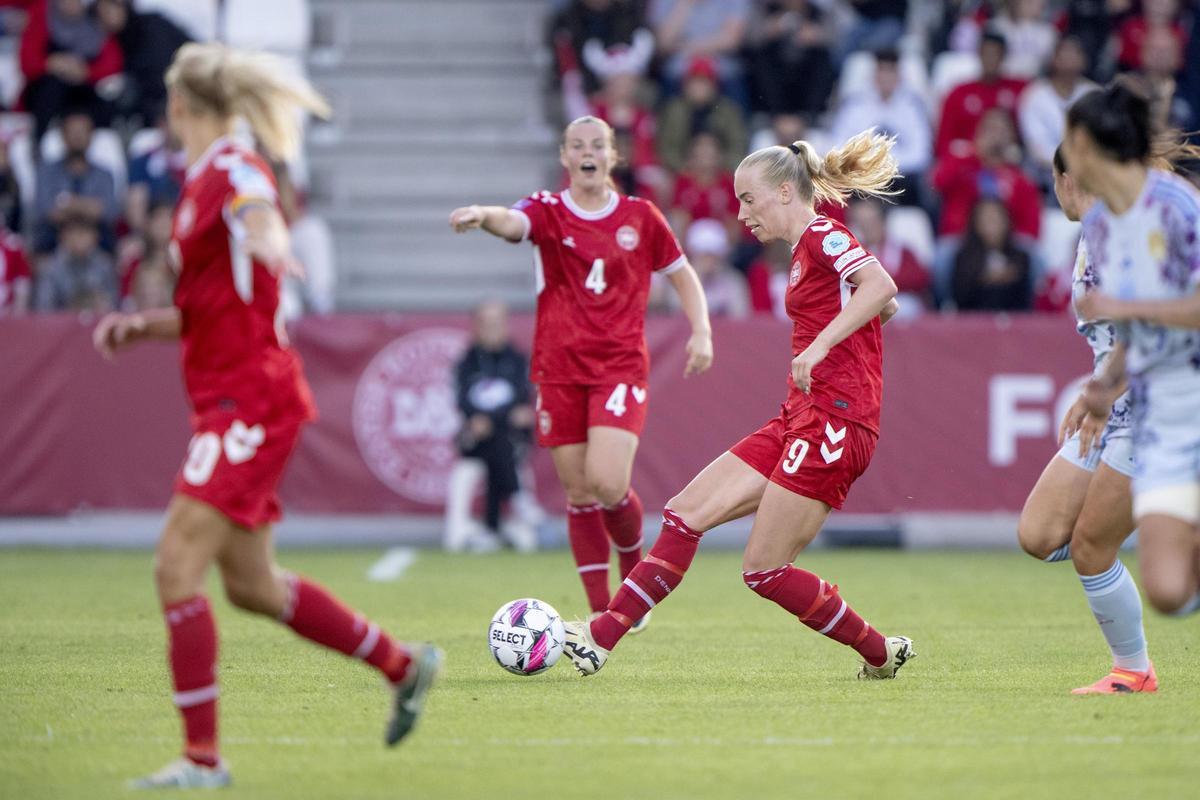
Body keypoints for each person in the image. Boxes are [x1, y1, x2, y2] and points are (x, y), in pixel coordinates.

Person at [91, 43, 441, 789]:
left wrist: (271, 239)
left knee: (174, 568)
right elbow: (210, 307)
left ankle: (201, 761)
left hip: (248, 399)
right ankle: (402, 666)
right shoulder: (199, 182)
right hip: (231, 393)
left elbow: (260, 214)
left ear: (179, 106)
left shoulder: (230, 168)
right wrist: (144, 325)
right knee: (251, 585)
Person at [559, 131, 915, 681]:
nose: (742, 215)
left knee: (764, 570)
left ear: (782, 191)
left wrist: (823, 345)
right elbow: (881, 304)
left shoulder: (822, 232)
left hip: (836, 421)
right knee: (686, 512)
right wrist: (850, 325)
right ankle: (601, 638)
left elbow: (881, 283)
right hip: (801, 415)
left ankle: (878, 652)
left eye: (749, 199)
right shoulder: (804, 251)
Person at [449, 115, 714, 628]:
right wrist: (482, 214)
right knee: (577, 492)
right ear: (566, 157)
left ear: (611, 156)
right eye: (577, 145)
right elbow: (514, 223)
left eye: (597, 144)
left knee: (608, 482)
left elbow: (682, 275)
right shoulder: (548, 210)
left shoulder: (641, 216)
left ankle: (635, 570)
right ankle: (601, 611)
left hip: (618, 367)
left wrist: (700, 330)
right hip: (558, 369)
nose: (587, 152)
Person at [1017, 144, 1151, 694]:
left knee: (1093, 547)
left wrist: (1106, 387)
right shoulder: (1092, 233)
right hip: (1111, 406)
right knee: (1041, 534)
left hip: (1152, 408)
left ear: (1067, 178)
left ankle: (1133, 672)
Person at [1067, 81, 1200, 626]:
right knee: (1169, 592)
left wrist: (1125, 303)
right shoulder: (1099, 226)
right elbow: (1134, 330)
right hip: (1159, 414)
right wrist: (1103, 388)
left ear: (1088, 144)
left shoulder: (1175, 208)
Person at [453, 300, 537, 549]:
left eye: (497, 322)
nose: (492, 328)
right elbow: (462, 400)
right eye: (486, 323)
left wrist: (495, 418)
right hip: (476, 438)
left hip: (508, 436)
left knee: (499, 439)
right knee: (493, 438)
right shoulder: (467, 361)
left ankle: (491, 528)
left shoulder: (517, 359)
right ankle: (518, 499)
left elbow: (523, 398)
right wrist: (478, 419)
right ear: (476, 326)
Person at [19, 0, 123, 142]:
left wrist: (86, 71)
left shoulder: (96, 21)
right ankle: (38, 142)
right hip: (45, 87)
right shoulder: (43, 12)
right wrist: (51, 63)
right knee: (51, 88)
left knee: (105, 102)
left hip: (80, 87)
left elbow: (113, 63)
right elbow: (27, 62)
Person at [935, 29, 1027, 160]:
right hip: (966, 165)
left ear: (1004, 56)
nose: (991, 59)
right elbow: (943, 143)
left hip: (1006, 165)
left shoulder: (1020, 90)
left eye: (996, 54)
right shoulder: (958, 93)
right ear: (978, 54)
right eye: (986, 53)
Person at [950, 198, 1033, 311]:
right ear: (975, 223)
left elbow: (1025, 300)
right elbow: (960, 299)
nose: (991, 225)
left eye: (996, 218)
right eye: (985, 219)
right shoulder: (962, 257)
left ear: (1007, 221)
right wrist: (984, 277)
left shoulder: (1021, 257)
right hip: (974, 321)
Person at [35, 214, 116, 311]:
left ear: (95, 236)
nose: (79, 238)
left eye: (84, 232)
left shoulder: (105, 265)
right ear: (63, 236)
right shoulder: (51, 268)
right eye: (74, 232)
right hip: (61, 324)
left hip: (98, 322)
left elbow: (114, 306)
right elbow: (44, 309)